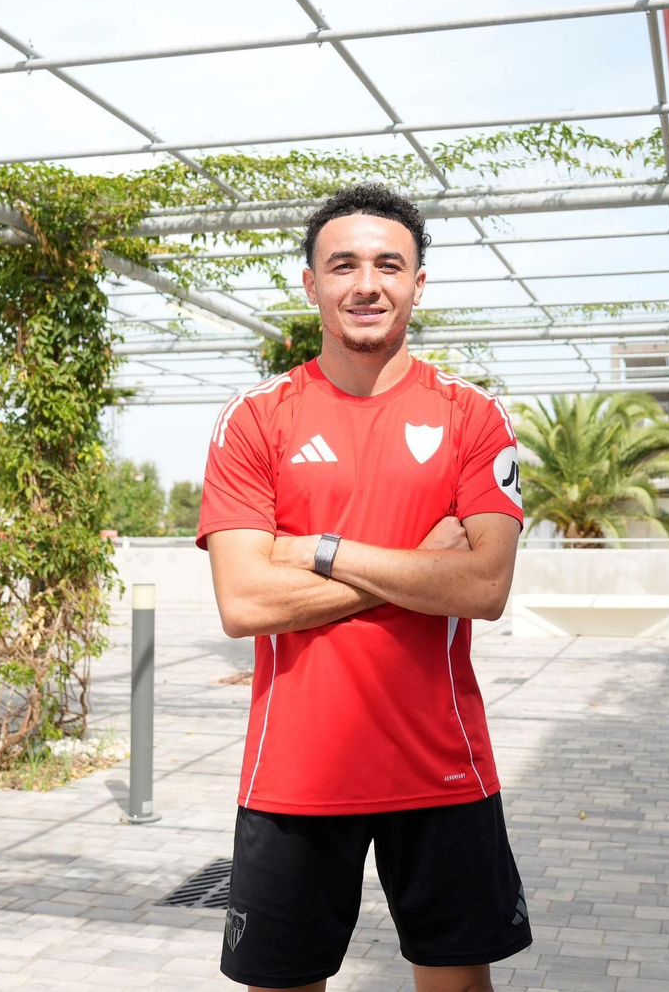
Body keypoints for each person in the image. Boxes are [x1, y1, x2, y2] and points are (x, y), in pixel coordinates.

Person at [197, 183, 531, 992]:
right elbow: (244, 604)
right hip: (295, 774)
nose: (366, 282)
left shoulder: (473, 418)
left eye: (390, 263)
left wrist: (317, 551)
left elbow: (484, 585)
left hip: (443, 766)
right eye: (342, 264)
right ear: (310, 284)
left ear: (420, 283)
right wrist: (419, 569)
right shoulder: (257, 420)